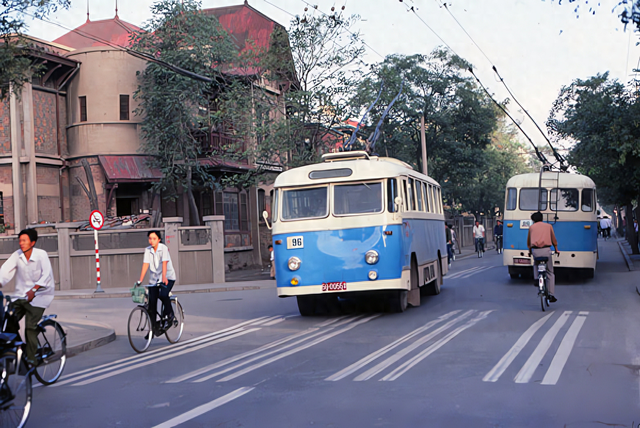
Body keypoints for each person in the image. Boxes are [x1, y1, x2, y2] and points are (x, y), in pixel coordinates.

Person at [0, 229, 55, 365]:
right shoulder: (17, 255)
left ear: (32, 243)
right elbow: (5, 272)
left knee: (30, 326)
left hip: (41, 294)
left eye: (24, 241)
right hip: (21, 295)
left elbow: (46, 275)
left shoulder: (41, 255)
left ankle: (32, 360)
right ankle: (23, 348)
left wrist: (34, 289)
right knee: (7, 320)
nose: (21, 243)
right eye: (20, 241)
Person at [137, 231, 176, 333]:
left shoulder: (163, 248)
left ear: (158, 239)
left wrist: (164, 276)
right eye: (150, 238)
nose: (151, 241)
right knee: (152, 304)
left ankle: (170, 314)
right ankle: (153, 329)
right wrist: (140, 280)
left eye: (154, 238)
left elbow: (164, 263)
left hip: (167, 277)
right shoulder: (147, 250)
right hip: (154, 280)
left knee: (163, 295)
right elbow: (145, 265)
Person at [527, 211, 559, 303]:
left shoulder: (531, 228)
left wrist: (530, 252)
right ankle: (551, 294)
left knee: (536, 264)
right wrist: (556, 249)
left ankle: (536, 278)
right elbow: (553, 239)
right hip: (546, 250)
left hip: (536, 251)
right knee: (550, 272)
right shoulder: (548, 226)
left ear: (533, 220)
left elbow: (529, 242)